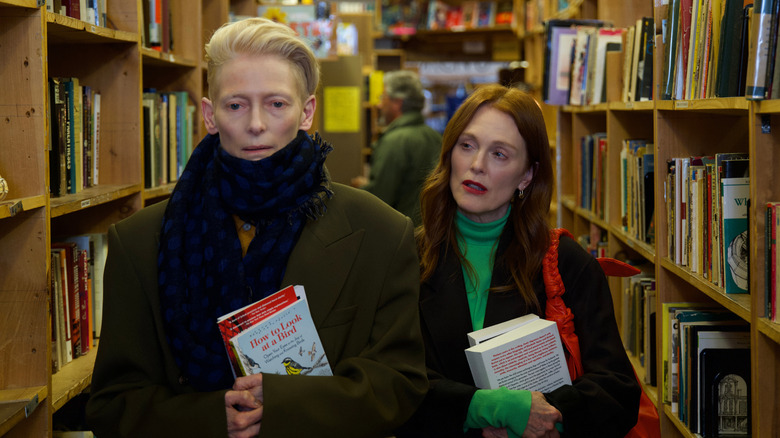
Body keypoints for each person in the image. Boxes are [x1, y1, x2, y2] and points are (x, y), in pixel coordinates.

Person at [86, 17, 427, 438]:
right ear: (210, 116)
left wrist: (281, 405)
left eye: (277, 104)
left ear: (307, 112)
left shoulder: (381, 234)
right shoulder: (138, 242)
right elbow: (112, 403)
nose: (256, 124)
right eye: (236, 105)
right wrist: (213, 418)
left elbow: (399, 385)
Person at [396, 84, 640, 438]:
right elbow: (396, 381)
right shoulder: (407, 259)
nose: (476, 165)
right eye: (467, 146)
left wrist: (544, 417)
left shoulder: (566, 263)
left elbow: (617, 391)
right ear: (450, 154)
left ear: (527, 175)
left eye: (500, 154)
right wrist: (486, 410)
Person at [351, 70, 441, 226]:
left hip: (402, 235)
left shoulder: (394, 141)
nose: (379, 104)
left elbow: (379, 198)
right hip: (430, 232)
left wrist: (361, 189)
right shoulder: (436, 138)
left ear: (397, 103)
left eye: (383, 97)